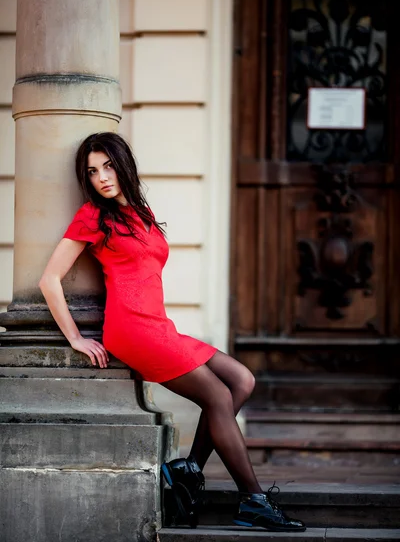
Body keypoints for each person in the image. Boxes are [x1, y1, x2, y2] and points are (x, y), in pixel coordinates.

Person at [39, 132, 305, 533]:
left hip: (160, 325)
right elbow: (49, 279)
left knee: (241, 380)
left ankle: (190, 469)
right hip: (132, 329)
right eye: (92, 172)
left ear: (123, 164)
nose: (102, 178)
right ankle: (254, 501)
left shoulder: (141, 210)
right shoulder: (94, 216)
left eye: (108, 166)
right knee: (217, 394)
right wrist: (76, 338)